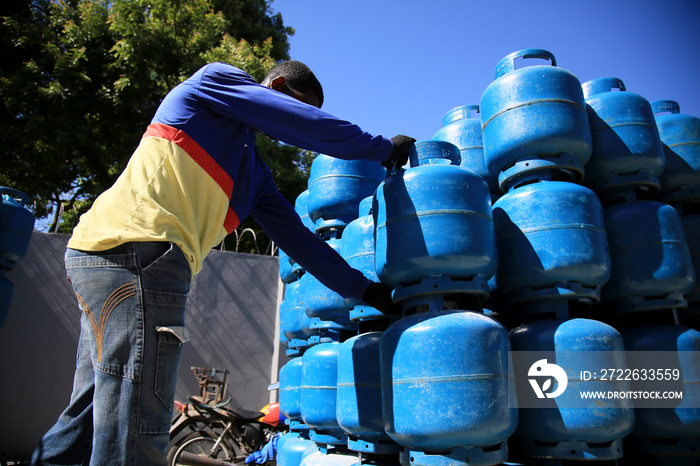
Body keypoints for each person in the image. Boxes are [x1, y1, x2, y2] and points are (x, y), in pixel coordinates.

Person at [30, 60, 414, 465]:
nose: (299, 122)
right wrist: (383, 150)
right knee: (139, 415)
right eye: (303, 106)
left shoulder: (254, 175)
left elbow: (302, 244)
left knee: (94, 410)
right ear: (276, 85)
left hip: (106, 257)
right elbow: (303, 125)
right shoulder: (214, 83)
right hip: (139, 254)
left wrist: (366, 291)